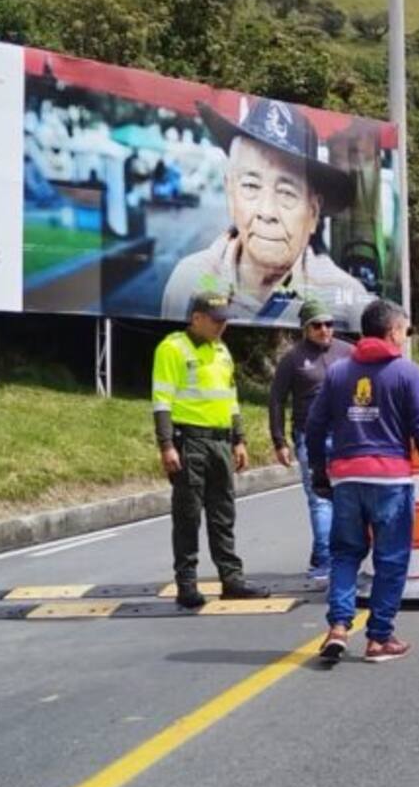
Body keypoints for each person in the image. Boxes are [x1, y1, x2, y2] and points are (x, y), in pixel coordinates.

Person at [305, 300, 419, 663]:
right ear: (392, 330)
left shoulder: (337, 372)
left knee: (345, 553)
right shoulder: (406, 372)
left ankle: (338, 626)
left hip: (347, 478)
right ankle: (379, 637)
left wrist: (320, 471)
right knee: (391, 559)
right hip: (390, 480)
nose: (405, 336)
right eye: (405, 329)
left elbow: (315, 425)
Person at [161, 98, 374, 328]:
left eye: (287, 192)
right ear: (231, 195)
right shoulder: (187, 281)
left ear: (313, 213)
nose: (267, 212)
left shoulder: (346, 302)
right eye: (251, 186)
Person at [152, 289, 269, 608]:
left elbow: (230, 399)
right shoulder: (173, 348)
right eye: (216, 320)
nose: (222, 326)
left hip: (220, 441)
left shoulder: (222, 351)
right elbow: (161, 400)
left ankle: (231, 579)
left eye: (225, 321)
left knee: (223, 513)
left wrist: (239, 439)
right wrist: (166, 445)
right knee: (188, 515)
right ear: (196, 318)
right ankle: (186, 584)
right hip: (189, 441)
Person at [268, 298, 353, 582]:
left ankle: (326, 557)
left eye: (329, 324)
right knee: (319, 500)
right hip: (309, 436)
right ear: (305, 328)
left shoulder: (349, 352)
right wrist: (279, 441)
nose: (324, 330)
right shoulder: (293, 359)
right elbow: (277, 401)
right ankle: (326, 564)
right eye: (317, 325)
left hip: (345, 436)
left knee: (344, 499)